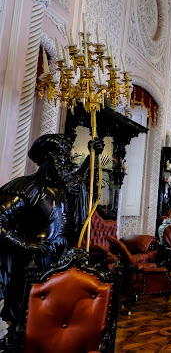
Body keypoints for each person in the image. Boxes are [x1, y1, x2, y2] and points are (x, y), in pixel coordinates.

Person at [0, 133, 103, 323]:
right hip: (34, 262)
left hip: (61, 259)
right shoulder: (26, 186)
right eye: (62, 157)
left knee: (54, 316)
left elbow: (80, 184)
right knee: (27, 316)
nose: (67, 162)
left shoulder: (63, 188)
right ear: (49, 158)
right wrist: (27, 243)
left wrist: (92, 158)